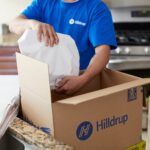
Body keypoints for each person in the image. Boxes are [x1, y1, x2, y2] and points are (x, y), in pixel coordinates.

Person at [9, 0, 117, 95]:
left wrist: (83, 79)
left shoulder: (96, 8)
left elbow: (103, 51)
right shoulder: (43, 2)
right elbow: (13, 25)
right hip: (43, 83)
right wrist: (32, 23)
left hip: (81, 82)